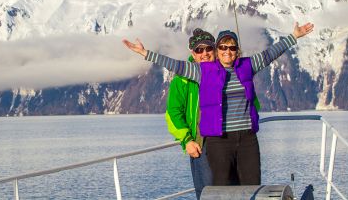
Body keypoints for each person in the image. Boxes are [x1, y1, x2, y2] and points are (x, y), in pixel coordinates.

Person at [122, 22, 314, 186]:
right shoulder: (202, 71)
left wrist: (294, 36)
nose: (227, 52)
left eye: (231, 48)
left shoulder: (247, 65)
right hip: (217, 141)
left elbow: (271, 53)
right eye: (223, 47)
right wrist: (145, 53)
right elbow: (173, 65)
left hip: (247, 139)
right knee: (220, 189)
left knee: (251, 185)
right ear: (217, 50)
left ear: (236, 51)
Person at [166, 28, 213, 199]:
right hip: (201, 144)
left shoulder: (228, 73)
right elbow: (173, 113)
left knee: (234, 191)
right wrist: (187, 140)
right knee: (207, 194)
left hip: (230, 144)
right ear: (193, 53)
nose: (205, 54)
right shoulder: (183, 79)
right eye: (199, 50)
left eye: (209, 48)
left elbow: (251, 105)